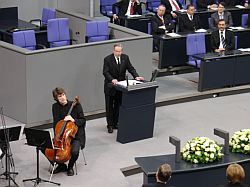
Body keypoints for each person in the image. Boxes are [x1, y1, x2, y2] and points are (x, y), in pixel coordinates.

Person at [103, 44, 144, 133]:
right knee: (109, 106)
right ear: (113, 51)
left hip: (120, 87)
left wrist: (136, 76)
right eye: (117, 51)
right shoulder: (107, 59)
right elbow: (105, 72)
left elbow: (131, 68)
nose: (118, 53)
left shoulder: (125, 58)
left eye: (120, 51)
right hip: (110, 86)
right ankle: (110, 125)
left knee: (118, 105)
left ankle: (116, 122)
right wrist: (112, 79)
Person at [46, 87, 86, 176]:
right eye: (59, 96)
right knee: (46, 149)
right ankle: (61, 165)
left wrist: (73, 120)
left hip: (76, 135)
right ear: (56, 98)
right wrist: (57, 135)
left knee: (75, 151)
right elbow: (56, 123)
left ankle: (70, 166)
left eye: (63, 95)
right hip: (60, 136)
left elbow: (83, 120)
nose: (63, 98)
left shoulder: (76, 105)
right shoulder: (55, 107)